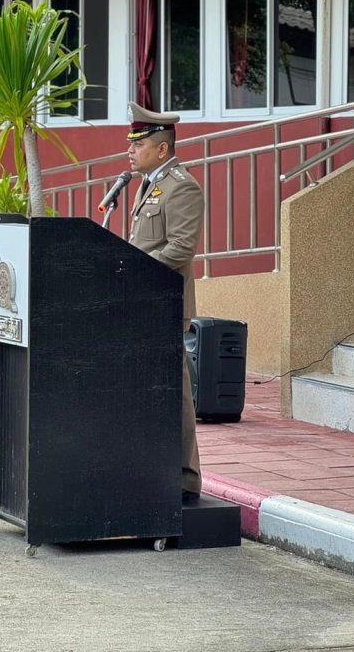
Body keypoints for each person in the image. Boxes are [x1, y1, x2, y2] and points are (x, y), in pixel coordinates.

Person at [126, 101, 203, 501]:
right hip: (145, 301)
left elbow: (181, 248)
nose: (130, 150)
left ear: (161, 148)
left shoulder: (182, 186)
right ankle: (154, 469)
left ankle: (186, 478)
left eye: (138, 144)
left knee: (176, 393)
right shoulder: (149, 184)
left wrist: (135, 268)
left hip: (166, 303)